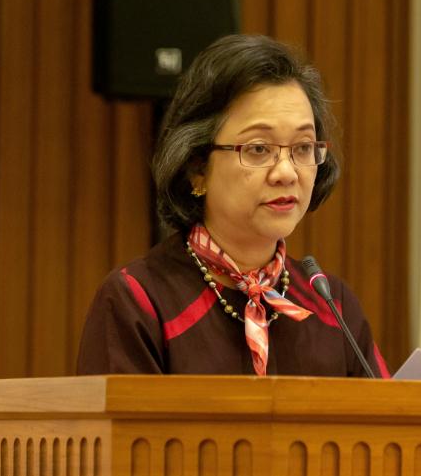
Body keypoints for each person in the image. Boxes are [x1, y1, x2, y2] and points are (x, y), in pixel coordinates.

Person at [77, 34, 389, 378]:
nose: (286, 173)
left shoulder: (333, 306)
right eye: (258, 149)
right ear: (197, 168)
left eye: (303, 147)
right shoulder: (139, 301)